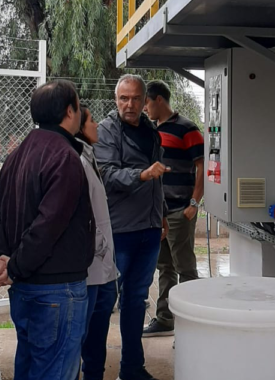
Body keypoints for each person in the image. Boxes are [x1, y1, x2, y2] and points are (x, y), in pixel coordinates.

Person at [0, 79, 95, 380]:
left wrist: (1, 256)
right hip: (57, 291)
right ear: (70, 112)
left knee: (31, 366)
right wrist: (15, 266)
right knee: (56, 370)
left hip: (25, 289)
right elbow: (48, 225)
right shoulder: (65, 158)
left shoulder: (16, 155)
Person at [94, 74, 169, 380]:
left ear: (144, 100)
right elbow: (107, 175)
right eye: (124, 98)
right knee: (105, 302)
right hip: (119, 231)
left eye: (136, 98)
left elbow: (158, 178)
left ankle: (132, 368)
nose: (130, 104)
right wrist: (141, 176)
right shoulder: (106, 130)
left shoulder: (151, 130)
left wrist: (161, 214)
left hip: (149, 230)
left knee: (136, 301)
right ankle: (94, 370)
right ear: (116, 99)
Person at [142, 80, 205, 337]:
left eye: (145, 102)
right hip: (159, 212)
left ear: (158, 100)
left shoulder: (187, 129)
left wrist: (194, 203)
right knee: (164, 267)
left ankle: (192, 323)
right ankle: (165, 319)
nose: (144, 108)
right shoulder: (152, 130)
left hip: (180, 210)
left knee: (185, 269)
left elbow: (202, 166)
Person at [75, 106, 119, 380]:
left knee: (96, 339)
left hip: (103, 269)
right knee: (83, 337)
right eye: (92, 121)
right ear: (78, 127)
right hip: (90, 268)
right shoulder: (76, 161)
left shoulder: (89, 156)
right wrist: (101, 246)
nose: (97, 126)